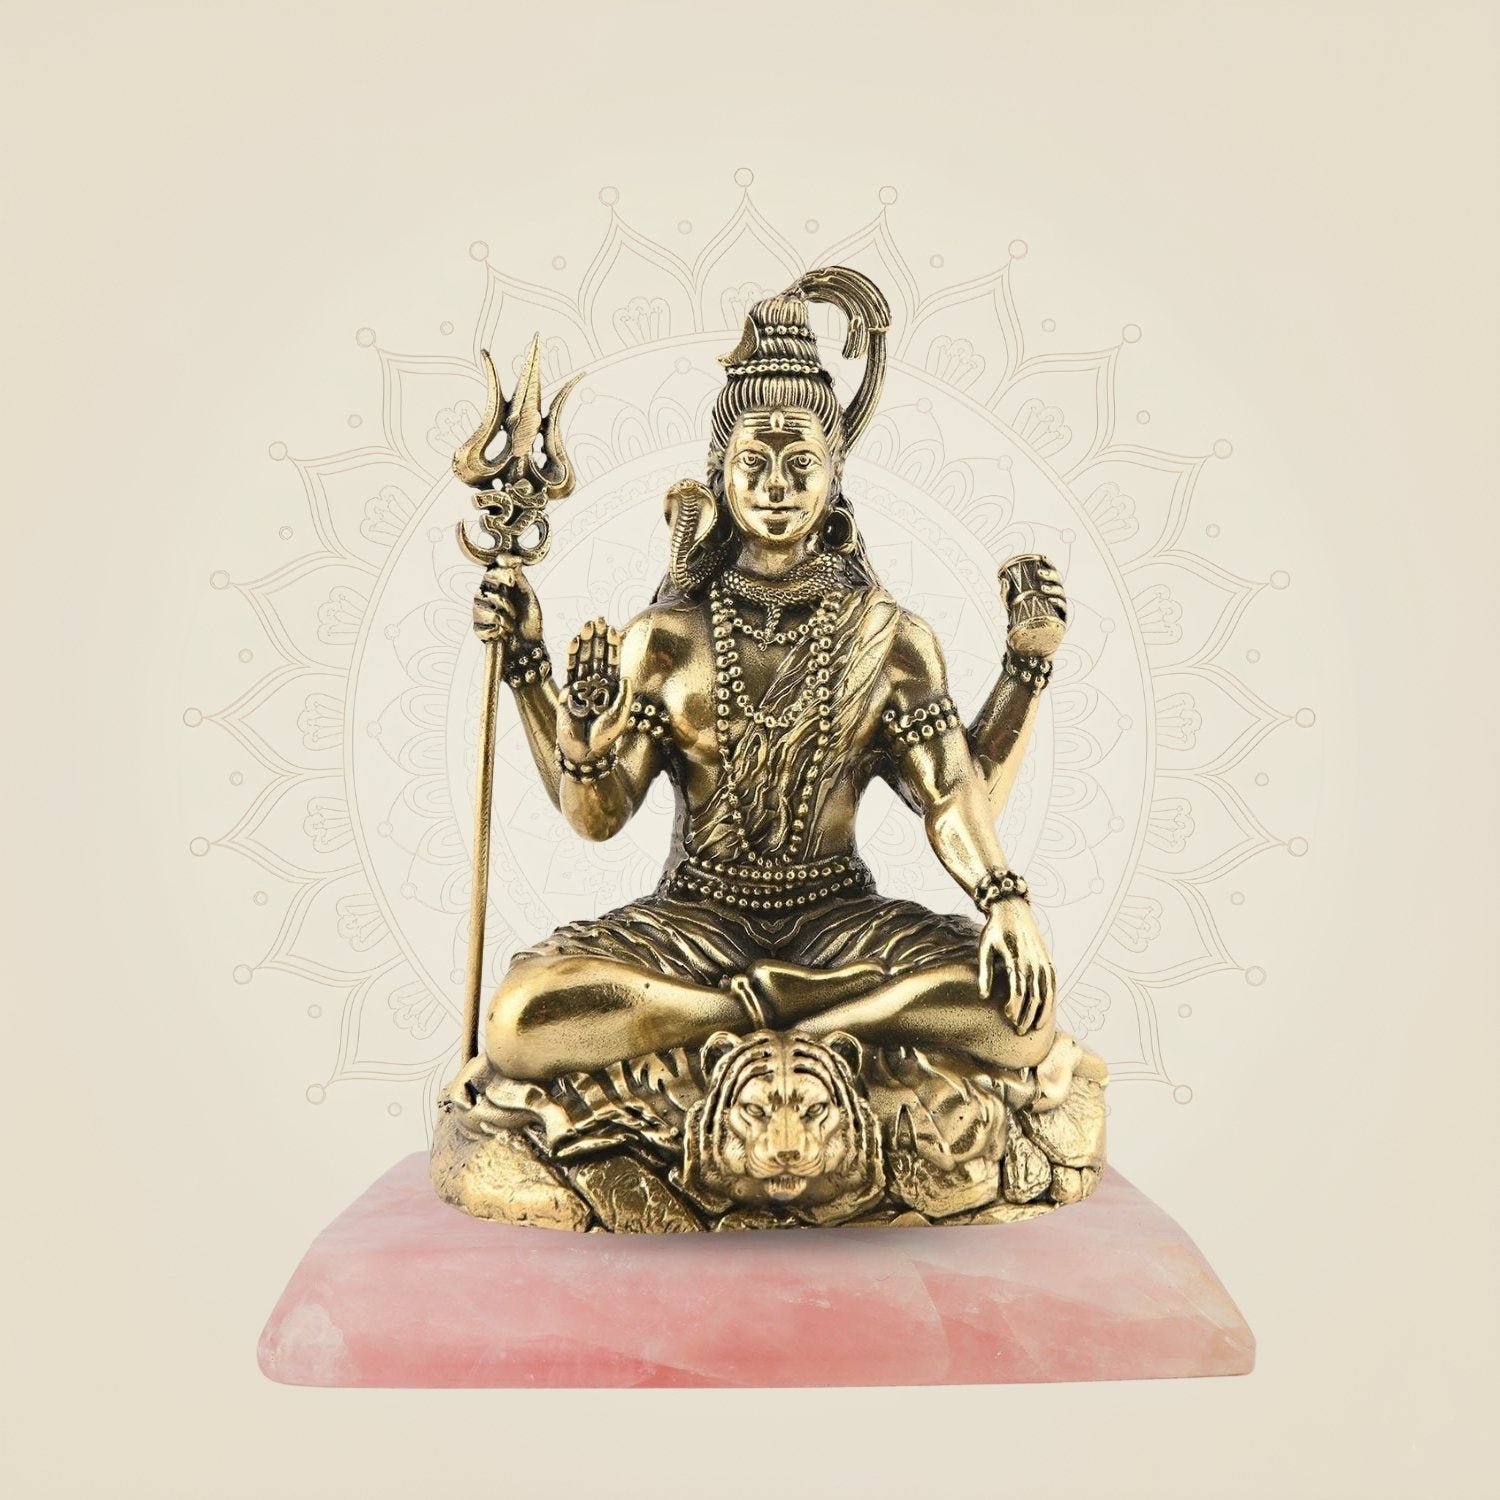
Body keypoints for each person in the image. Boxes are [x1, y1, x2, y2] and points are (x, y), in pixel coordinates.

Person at [472, 268, 1057, 1083]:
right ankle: (789, 1010)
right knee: (521, 1015)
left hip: (840, 921)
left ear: (835, 475)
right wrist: (548, 695)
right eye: (755, 462)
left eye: (800, 462)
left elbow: (955, 794)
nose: (777, 485)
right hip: (693, 919)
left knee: (1015, 1010)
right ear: (720, 472)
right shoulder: (665, 638)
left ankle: (741, 1010)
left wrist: (1004, 897)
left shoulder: (891, 639)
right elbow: (597, 817)